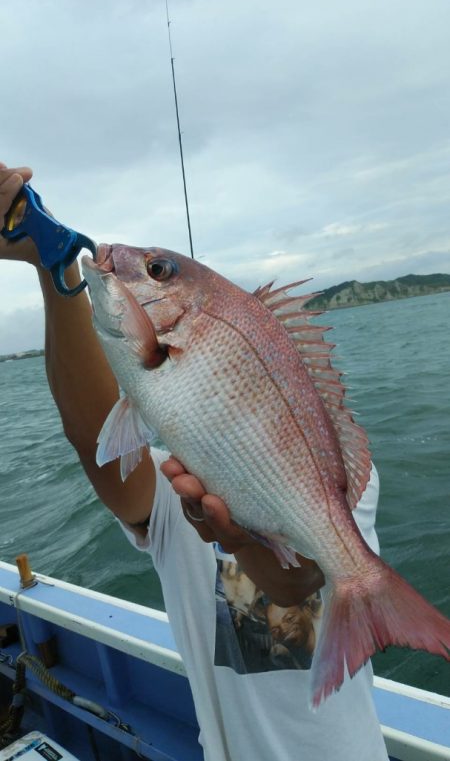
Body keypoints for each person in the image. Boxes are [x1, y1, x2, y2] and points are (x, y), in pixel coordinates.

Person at [0, 164, 389, 761]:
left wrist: (248, 544)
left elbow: (300, 581)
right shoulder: (173, 475)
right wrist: (53, 265)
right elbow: (95, 444)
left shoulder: (330, 477)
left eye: (156, 272)